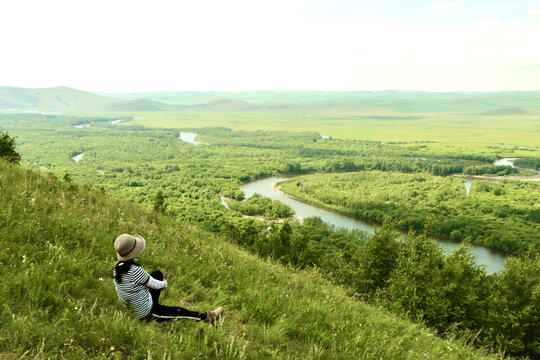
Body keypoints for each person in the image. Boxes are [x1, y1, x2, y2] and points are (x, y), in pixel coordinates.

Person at [113, 233, 223, 324]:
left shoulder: (117, 267)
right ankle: (206, 318)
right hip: (145, 312)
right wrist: (164, 284)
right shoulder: (136, 271)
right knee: (179, 312)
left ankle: (152, 301)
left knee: (157, 274)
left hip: (133, 304)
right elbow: (155, 284)